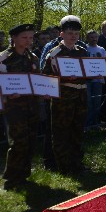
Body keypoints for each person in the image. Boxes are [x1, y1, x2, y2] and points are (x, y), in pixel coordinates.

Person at [43, 15, 90, 174]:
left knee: (77, 130)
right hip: (63, 98)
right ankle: (63, 166)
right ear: (61, 34)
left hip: (81, 96)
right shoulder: (54, 53)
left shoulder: (82, 51)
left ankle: (77, 162)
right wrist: (63, 77)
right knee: (61, 132)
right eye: (70, 33)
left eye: (76, 33)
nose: (73, 36)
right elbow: (46, 78)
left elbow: (89, 72)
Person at [1, 24, 40, 190]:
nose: (28, 41)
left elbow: (38, 80)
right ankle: (11, 179)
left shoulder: (33, 58)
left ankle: (24, 175)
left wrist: (44, 90)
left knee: (31, 140)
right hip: (14, 107)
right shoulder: (4, 58)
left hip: (32, 105)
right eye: (24, 37)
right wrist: (7, 92)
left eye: (31, 37)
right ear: (14, 38)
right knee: (18, 142)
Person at [83, 30, 106, 131]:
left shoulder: (101, 50)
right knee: (88, 102)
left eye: (95, 37)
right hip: (87, 80)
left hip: (98, 80)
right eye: (91, 37)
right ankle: (87, 125)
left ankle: (96, 124)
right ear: (87, 38)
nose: (94, 39)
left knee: (97, 102)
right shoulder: (84, 49)